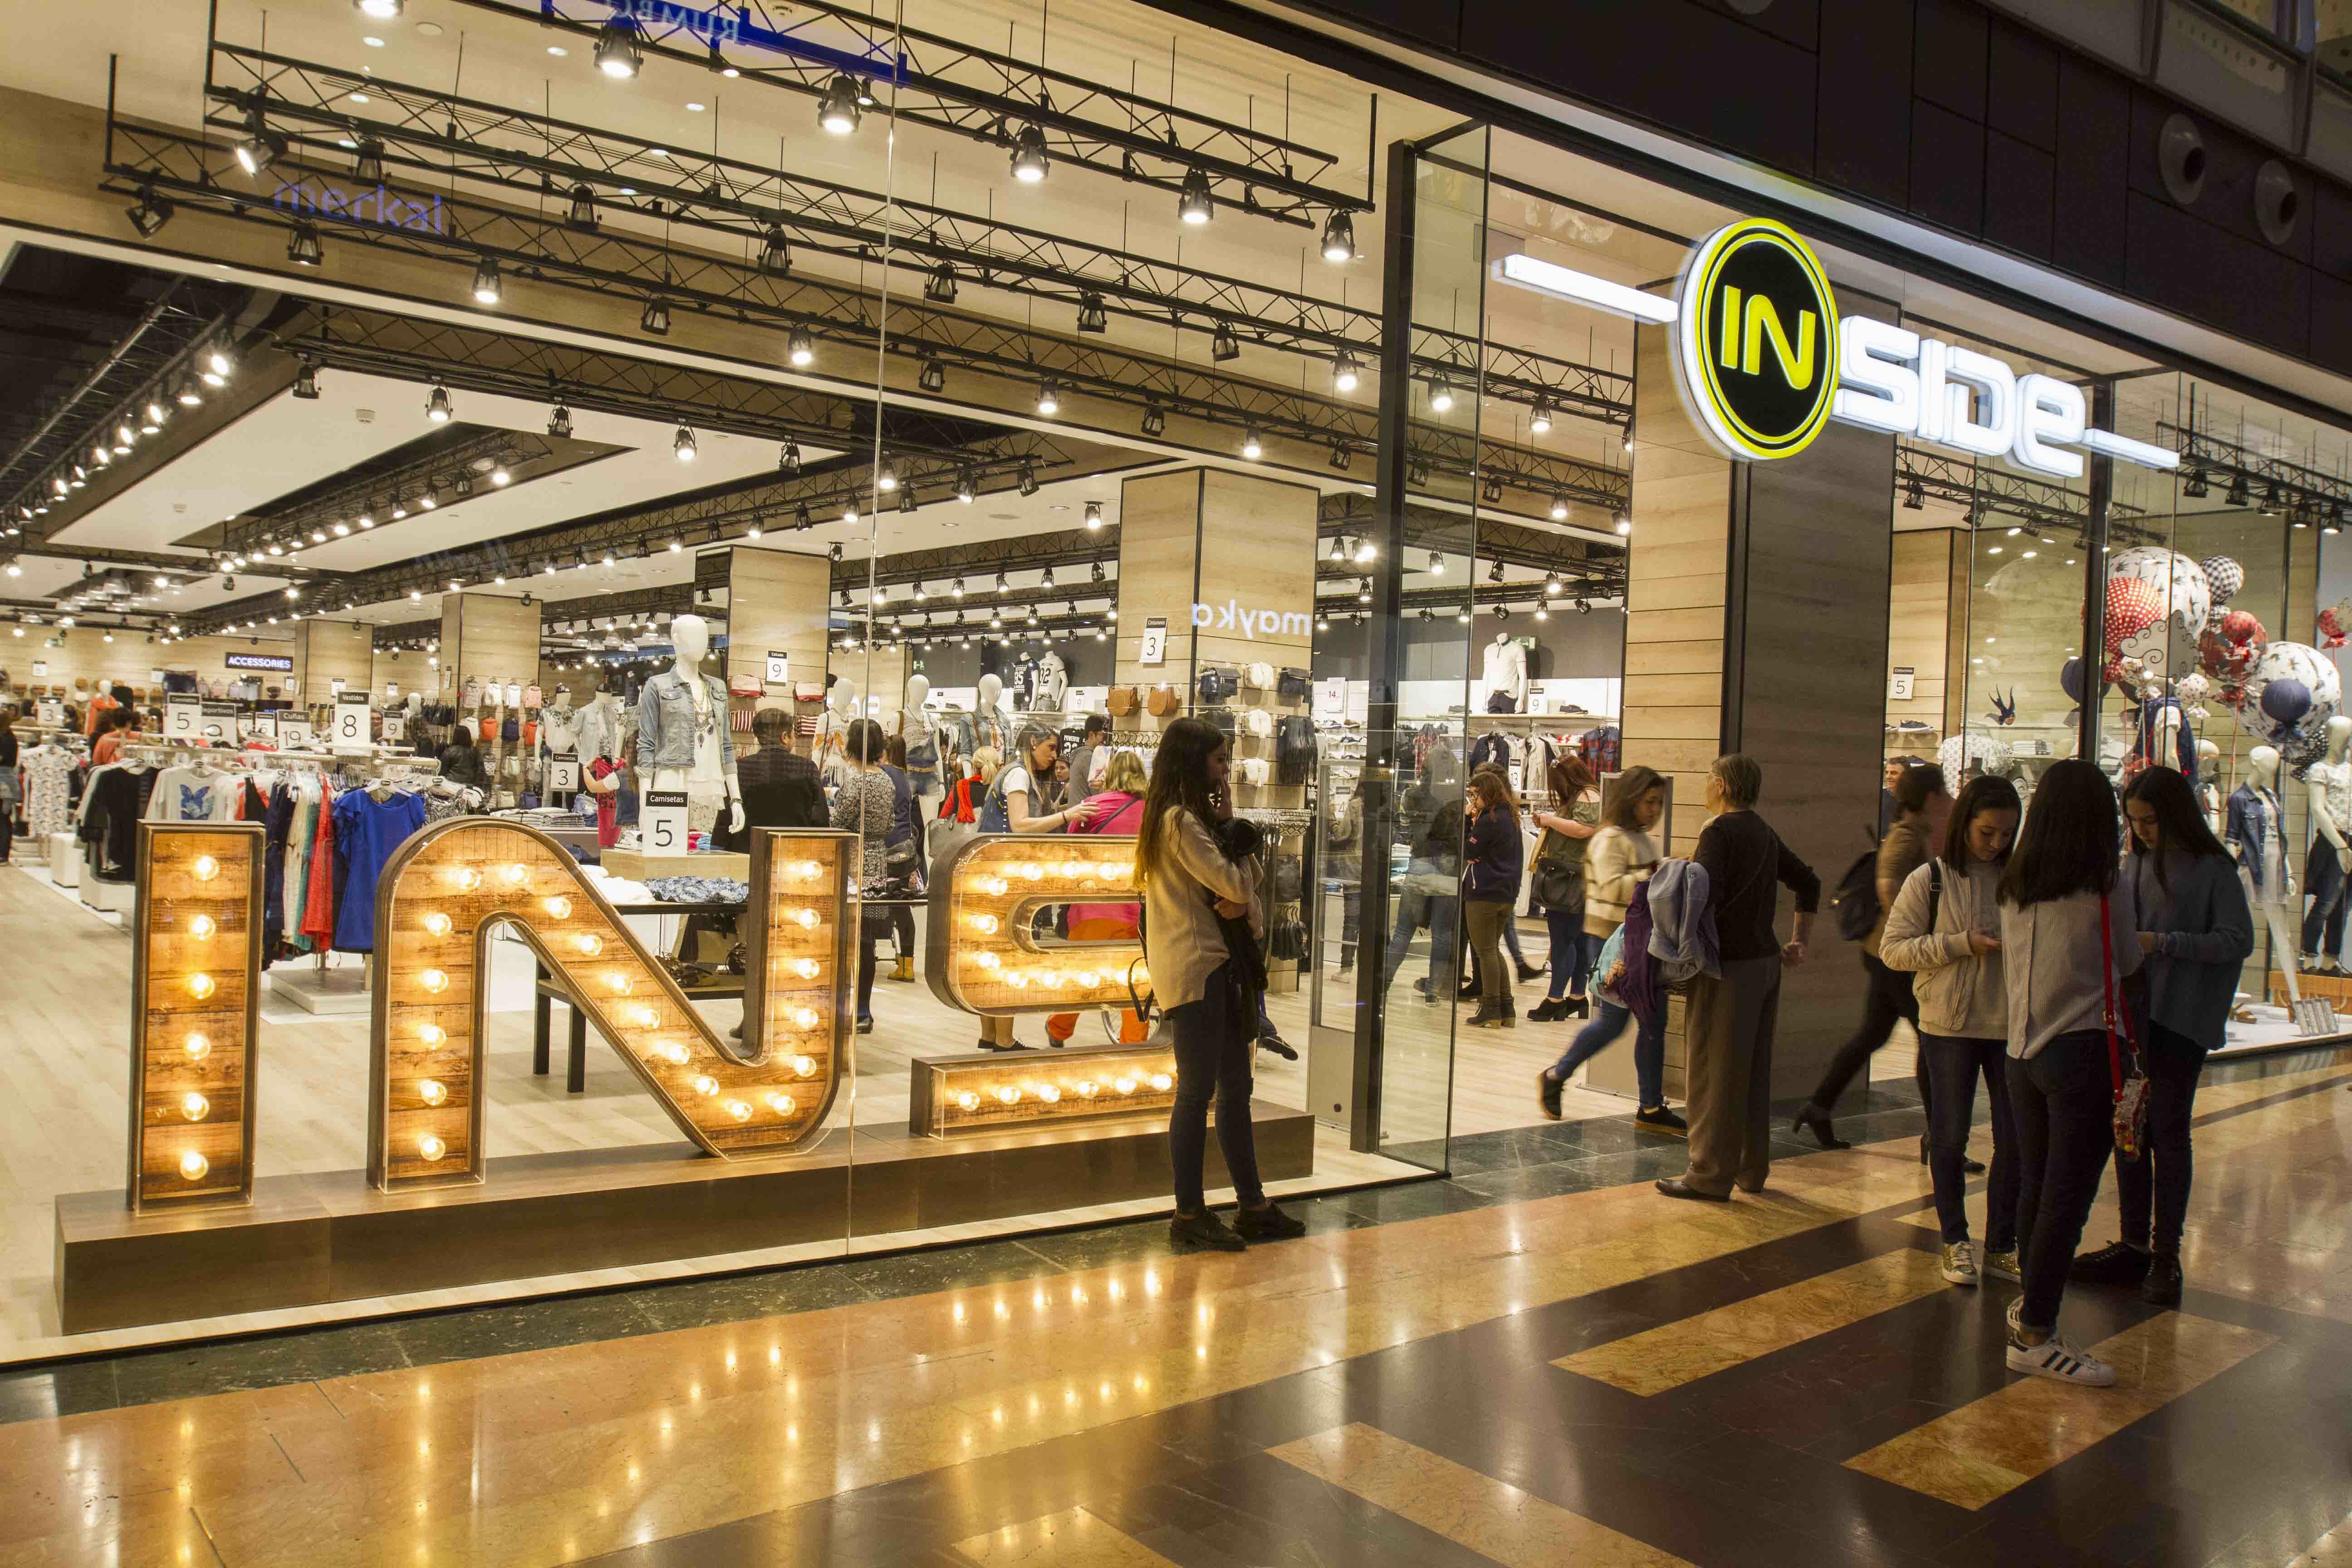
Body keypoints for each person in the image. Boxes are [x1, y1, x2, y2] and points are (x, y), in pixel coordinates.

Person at [2072, 765, 2252, 1308]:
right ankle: (2132, 1244)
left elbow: (2236, 939)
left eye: (2150, 820)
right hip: (2133, 1017)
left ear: (2174, 814)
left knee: (2169, 1132)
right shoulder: (2135, 862)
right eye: (2135, 822)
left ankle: (2166, 1254)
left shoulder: (2214, 867)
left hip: (2181, 1020)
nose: (2143, 830)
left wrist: (2166, 942)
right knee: (2131, 1128)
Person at [1995, 756, 2141, 1387]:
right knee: (2066, 1199)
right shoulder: (2105, 889)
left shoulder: (2015, 884)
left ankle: (2030, 1306)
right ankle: (2036, 1333)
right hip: (2080, 1050)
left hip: (2021, 1055)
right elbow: (2129, 960)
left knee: (2036, 1187)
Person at [1137, 716, 1303, 1252]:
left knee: (1236, 1088)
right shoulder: (1179, 822)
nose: (1226, 770)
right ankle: (1188, 1214)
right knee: (1198, 1092)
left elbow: (1245, 882)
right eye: (1218, 760)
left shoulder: (1192, 819)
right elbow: (1234, 883)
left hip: (1216, 967)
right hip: (1196, 969)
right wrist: (1240, 880)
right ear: (1193, 763)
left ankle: (1250, 1205)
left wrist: (1232, 831)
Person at [1879, 775, 2024, 1288]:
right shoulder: (1931, 878)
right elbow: (1893, 949)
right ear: (1965, 825)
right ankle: (1956, 1239)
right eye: (1986, 832)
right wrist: (1960, 943)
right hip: (1949, 1025)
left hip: (2011, 1025)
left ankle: (2003, 1243)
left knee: (2014, 1140)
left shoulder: (2022, 881)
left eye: (2006, 834)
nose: (1995, 844)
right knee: (1949, 1135)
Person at [1657, 754, 1819, 1203]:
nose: (1705, 786)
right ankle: (1750, 1168)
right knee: (1751, 1071)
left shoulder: (1720, 831)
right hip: (1765, 963)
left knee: (1714, 1073)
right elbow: (1809, 882)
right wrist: (1798, 941)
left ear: (1724, 786)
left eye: (1709, 778)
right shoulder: (1764, 832)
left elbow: (1703, 896)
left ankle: (1708, 1175)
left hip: (1725, 968)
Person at [1793, 762, 1955, 1155]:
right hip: (1896, 957)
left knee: (1874, 1034)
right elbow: (1888, 887)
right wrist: (1915, 932)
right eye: (1945, 792)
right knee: (1931, 1040)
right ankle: (1939, 1138)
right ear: (1932, 797)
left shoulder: (1915, 833)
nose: (1950, 799)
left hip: (1884, 955)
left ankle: (1819, 1106)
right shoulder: (1906, 837)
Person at [1535, 765, 1680, 1128]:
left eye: (1658, 802)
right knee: (1625, 1023)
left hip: (1639, 942)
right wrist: (1658, 875)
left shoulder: (1638, 837)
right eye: (1649, 802)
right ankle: (1560, 1077)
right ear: (1631, 800)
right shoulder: (1610, 838)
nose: (1654, 810)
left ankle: (1648, 1105)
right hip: (1617, 943)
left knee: (1647, 1022)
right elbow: (1612, 887)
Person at [1046, 748, 1151, 1047]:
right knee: (1136, 983)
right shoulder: (1153, 811)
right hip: (1138, 910)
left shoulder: (1091, 807)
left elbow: (1071, 851)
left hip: (1093, 908)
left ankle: (1059, 1029)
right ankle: (1133, 1045)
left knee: (1082, 973)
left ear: (1109, 774)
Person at [829, 719, 897, 1034]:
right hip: (877, 860)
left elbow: (838, 821)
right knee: (867, 939)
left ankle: (845, 1008)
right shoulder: (887, 780)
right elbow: (888, 825)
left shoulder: (855, 782)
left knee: (847, 937)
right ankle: (864, 1010)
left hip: (853, 859)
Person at [1528, 754, 1604, 1020]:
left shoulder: (1586, 796)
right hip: (1577, 876)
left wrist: (1550, 820)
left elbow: (1584, 829)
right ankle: (1577, 997)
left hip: (1570, 877)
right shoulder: (1589, 795)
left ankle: (1555, 999)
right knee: (1579, 939)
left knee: (1563, 939)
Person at [1461, 768, 1526, 1028]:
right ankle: (1506, 1008)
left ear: (1485, 793)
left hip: (1484, 892)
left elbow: (1469, 850)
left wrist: (1467, 822)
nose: (1472, 801)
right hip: (1506, 893)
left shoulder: (1489, 820)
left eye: (1475, 795)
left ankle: (1490, 1008)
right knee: (1492, 949)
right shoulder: (1511, 817)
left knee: (1485, 951)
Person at [720, 709, 826, 845]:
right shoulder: (807, 768)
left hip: (747, 854)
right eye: (794, 735)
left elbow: (724, 821)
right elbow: (821, 819)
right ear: (785, 737)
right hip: (794, 855)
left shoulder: (739, 769)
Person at [988, 723, 1104, 835]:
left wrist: (1074, 810)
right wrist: (1066, 815)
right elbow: (1019, 826)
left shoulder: (1026, 775)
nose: (1054, 756)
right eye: (1051, 748)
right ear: (1033, 741)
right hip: (1001, 851)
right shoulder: (1018, 774)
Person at [877, 737, 922, 980]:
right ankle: (907, 964)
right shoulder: (904, 778)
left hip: (885, 845)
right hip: (904, 848)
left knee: (873, 903)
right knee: (902, 908)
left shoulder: (883, 773)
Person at [1065, 714, 1111, 806]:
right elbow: (1099, 793)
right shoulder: (1089, 757)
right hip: (1084, 817)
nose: (1106, 740)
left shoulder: (1081, 754)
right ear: (1091, 735)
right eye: (1104, 736)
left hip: (1079, 816)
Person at [438, 722, 489, 788]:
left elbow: (443, 770)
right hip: (470, 784)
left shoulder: (450, 751)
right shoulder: (475, 751)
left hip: (452, 783)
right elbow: (481, 769)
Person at [0, 704, 17, 864]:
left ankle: (3, 854)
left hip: (2, 781)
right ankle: (4, 853)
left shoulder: (3, 738)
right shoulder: (11, 737)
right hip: (9, 781)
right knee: (5, 817)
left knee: (3, 818)